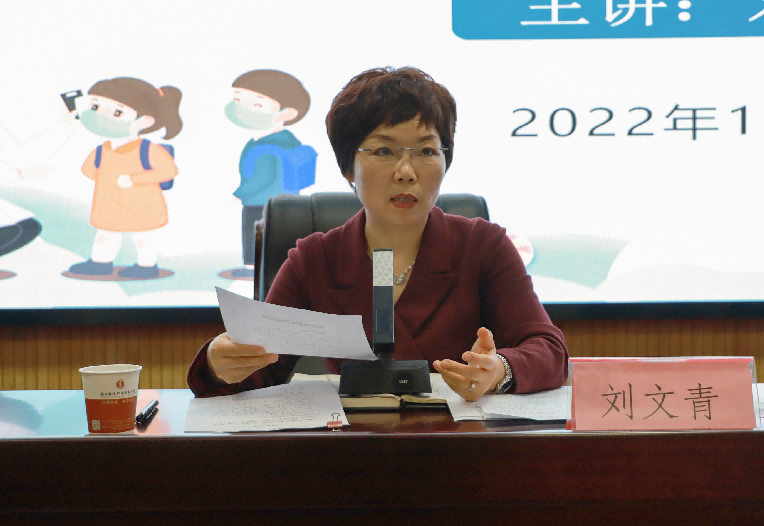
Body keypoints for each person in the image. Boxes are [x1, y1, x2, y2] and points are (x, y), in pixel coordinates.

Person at [187, 66, 568, 401]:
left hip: (459, 442)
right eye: (384, 151)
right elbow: (262, 370)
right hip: (353, 445)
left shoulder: (483, 246)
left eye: (426, 151)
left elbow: (549, 350)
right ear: (348, 167)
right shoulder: (316, 260)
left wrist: (499, 370)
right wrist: (219, 364)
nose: (406, 172)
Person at [67, 77, 181, 279]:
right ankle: (100, 263)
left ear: (145, 120)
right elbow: (89, 171)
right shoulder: (103, 150)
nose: (100, 116)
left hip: (142, 206)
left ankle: (146, 266)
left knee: (143, 238)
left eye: (117, 112)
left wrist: (134, 179)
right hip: (109, 205)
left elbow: (168, 171)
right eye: (95, 107)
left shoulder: (148, 150)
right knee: (105, 236)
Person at [223, 69, 317, 279]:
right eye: (238, 100)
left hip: (259, 201)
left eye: (257, 105)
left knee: (254, 232)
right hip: (283, 202)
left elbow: (263, 177)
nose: (244, 110)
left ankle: (253, 268)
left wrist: (239, 195)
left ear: (287, 113)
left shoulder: (271, 145)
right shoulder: (276, 140)